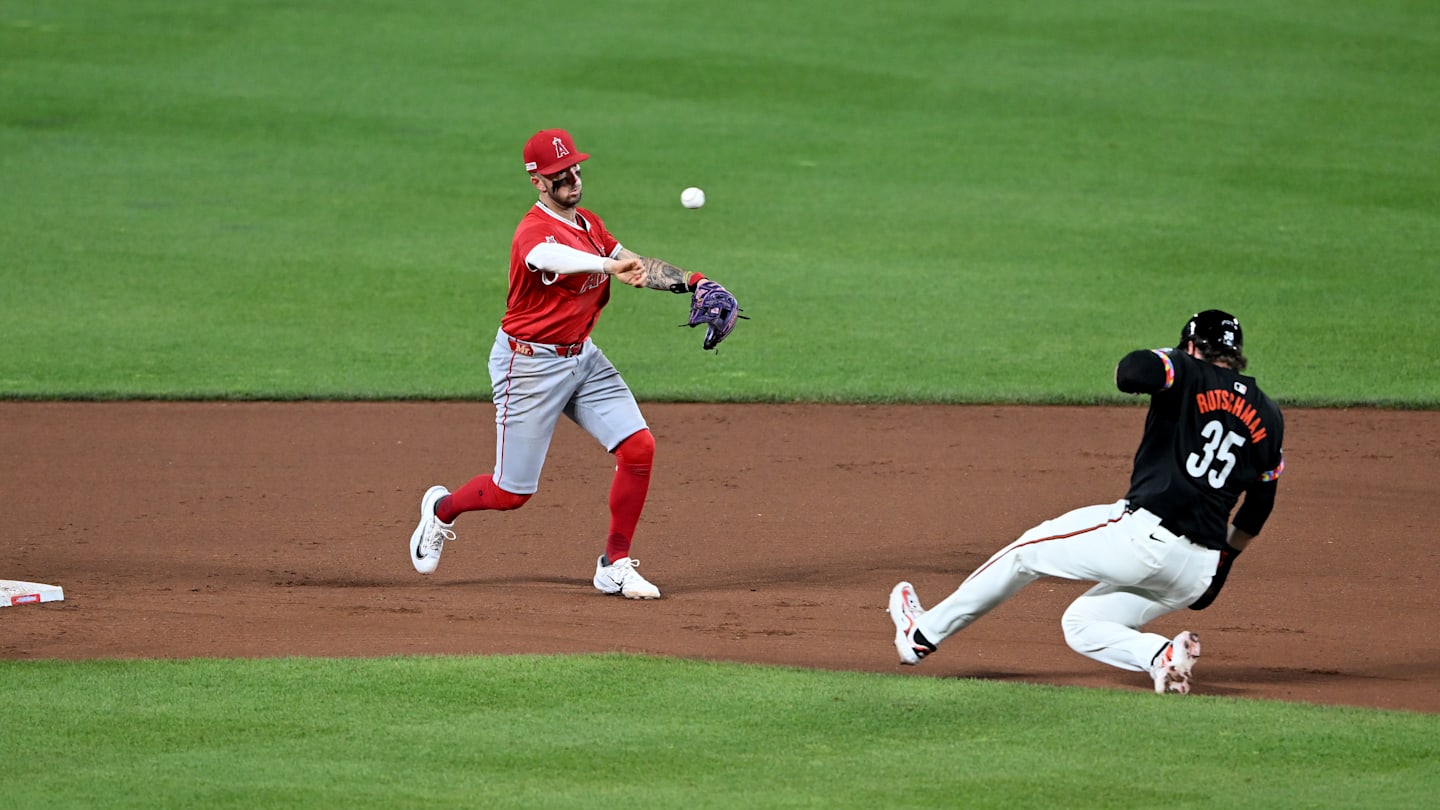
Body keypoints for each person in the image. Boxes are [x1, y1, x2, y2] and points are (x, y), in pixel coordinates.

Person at [408, 128, 737, 599]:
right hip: (528, 366)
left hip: (581, 356)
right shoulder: (533, 234)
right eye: (559, 174)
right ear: (537, 182)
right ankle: (441, 511)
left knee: (639, 447)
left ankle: (615, 563)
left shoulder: (590, 225)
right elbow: (553, 257)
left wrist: (696, 281)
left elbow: (635, 263)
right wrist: (605, 267)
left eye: (576, 168)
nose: (572, 178)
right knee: (512, 494)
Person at [888, 310, 1285, 694]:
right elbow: (1258, 507)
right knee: (1082, 623)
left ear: (1192, 346)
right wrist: (1223, 562)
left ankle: (920, 634)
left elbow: (1129, 372)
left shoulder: (1185, 368)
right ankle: (1161, 657)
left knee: (1024, 553)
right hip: (1196, 572)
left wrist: (1176, 358)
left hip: (1142, 540)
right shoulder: (1270, 415)